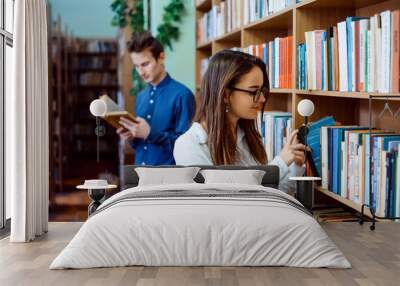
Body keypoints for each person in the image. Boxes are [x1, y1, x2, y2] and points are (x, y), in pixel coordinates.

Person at [173, 50, 305, 194]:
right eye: (253, 91)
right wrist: (281, 162)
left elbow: (269, 194)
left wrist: (295, 167)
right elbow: (226, 198)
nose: (261, 99)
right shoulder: (188, 145)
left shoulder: (248, 137)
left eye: (262, 91)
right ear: (225, 95)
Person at [117, 31, 196, 165]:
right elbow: (140, 146)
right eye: (136, 66)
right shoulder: (141, 97)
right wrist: (131, 136)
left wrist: (150, 133)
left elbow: (187, 147)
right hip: (140, 174)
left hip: (167, 179)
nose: (141, 72)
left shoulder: (182, 95)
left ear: (161, 57)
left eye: (145, 64)